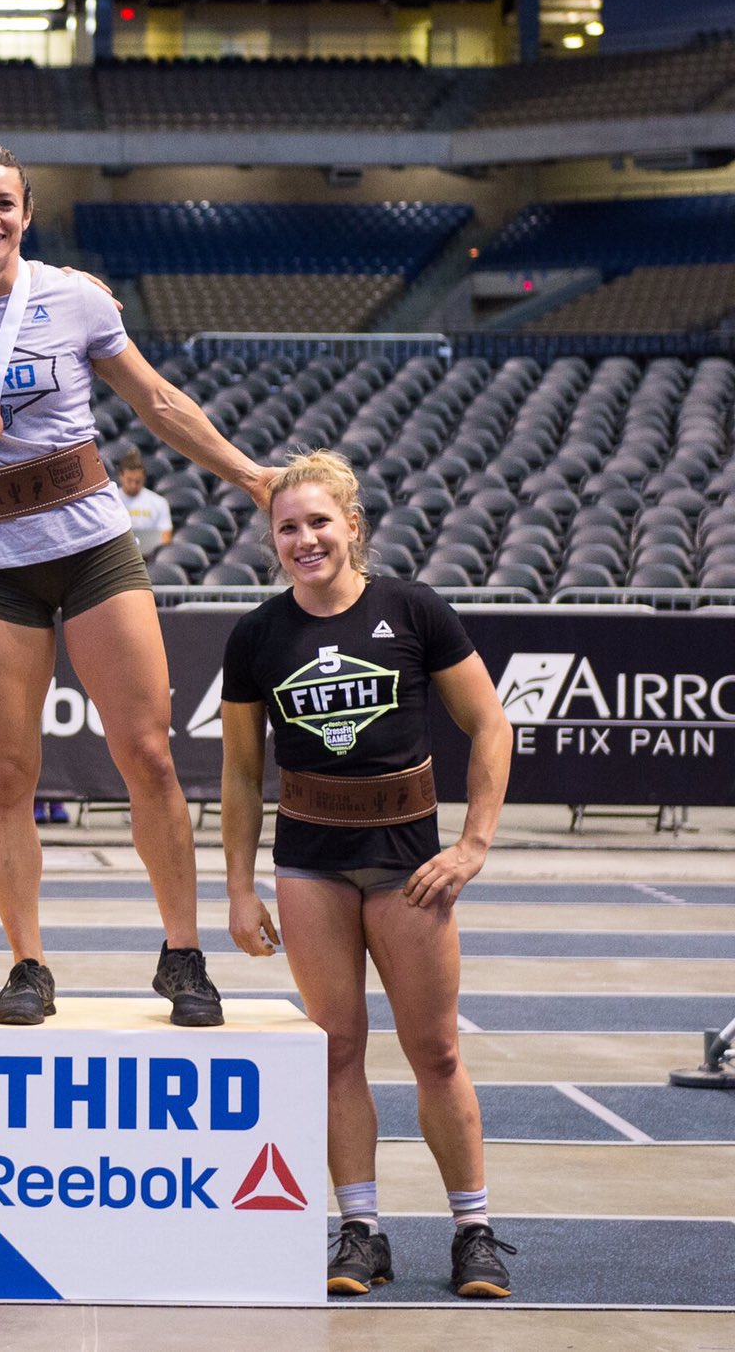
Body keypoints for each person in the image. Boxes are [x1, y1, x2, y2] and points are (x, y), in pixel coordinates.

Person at [0, 143, 278, 1028]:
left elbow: (157, 403)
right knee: (5, 776)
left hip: (92, 544)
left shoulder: (73, 298)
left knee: (147, 755)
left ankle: (182, 954)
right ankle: (27, 964)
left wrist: (250, 476)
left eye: (4, 203)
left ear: (26, 216)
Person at [219, 449, 516, 1300]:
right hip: (308, 863)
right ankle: (360, 1233)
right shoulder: (258, 636)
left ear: (353, 524)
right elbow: (241, 776)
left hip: (406, 865)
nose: (305, 539)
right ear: (271, 539)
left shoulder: (414, 610)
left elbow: (490, 727)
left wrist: (473, 845)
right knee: (336, 1049)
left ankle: (475, 1232)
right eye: (287, 527)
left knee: (437, 1049)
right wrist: (239, 889)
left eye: (319, 522)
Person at [117, 449, 174, 556]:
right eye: (129, 480)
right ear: (121, 476)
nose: (133, 485)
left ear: (144, 478)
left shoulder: (159, 503)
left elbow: (165, 538)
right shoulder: (112, 501)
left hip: (150, 557)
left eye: (138, 481)